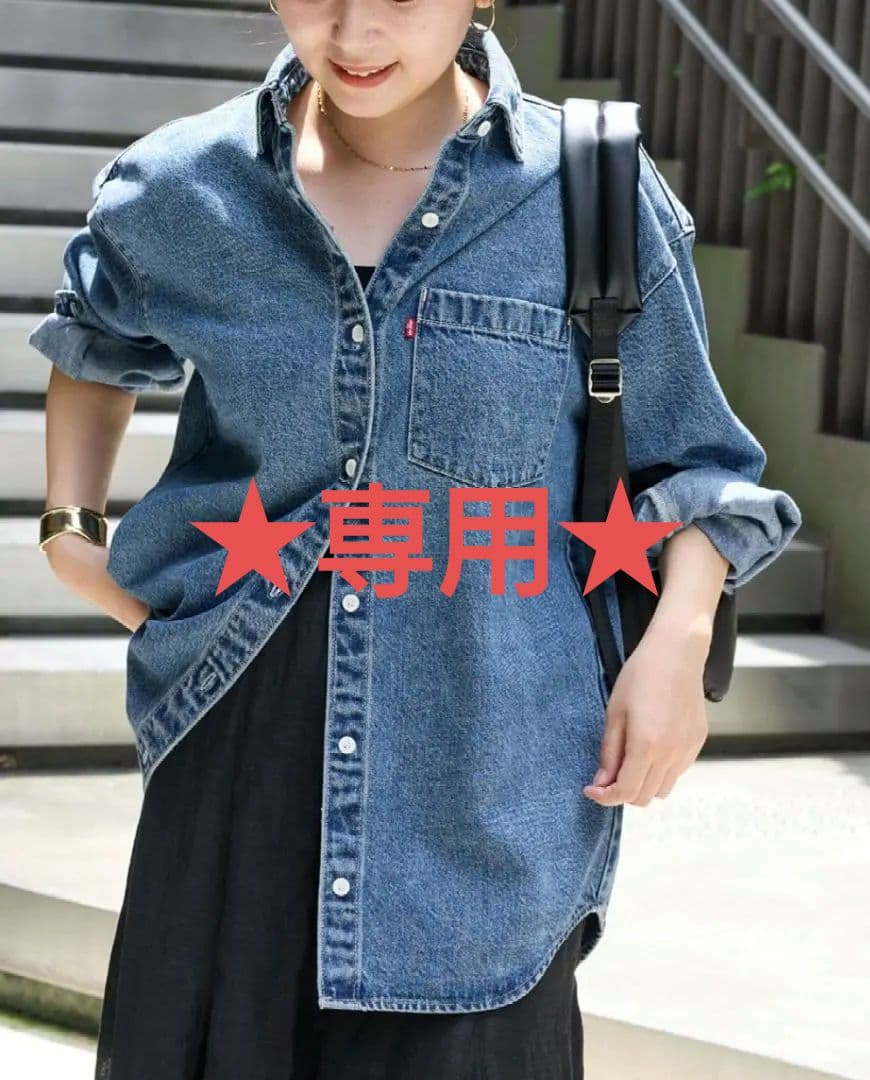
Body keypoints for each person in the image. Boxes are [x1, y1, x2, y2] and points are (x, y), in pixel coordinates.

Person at [30, 1, 802, 1077]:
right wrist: (71, 528)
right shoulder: (184, 186)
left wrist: (676, 644)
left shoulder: (590, 190)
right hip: (241, 734)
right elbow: (93, 342)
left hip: (491, 759)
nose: (353, 33)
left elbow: (701, 466)